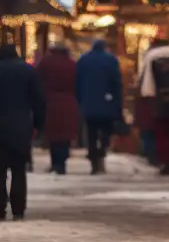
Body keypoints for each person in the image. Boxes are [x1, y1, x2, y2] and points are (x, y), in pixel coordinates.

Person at [0, 43, 45, 220]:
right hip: (21, 127)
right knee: (19, 170)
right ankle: (18, 209)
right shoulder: (28, 71)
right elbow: (38, 101)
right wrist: (38, 125)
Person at [139, 38, 169, 176]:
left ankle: (166, 162)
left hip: (160, 100)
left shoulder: (151, 57)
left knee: (162, 133)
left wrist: (148, 100)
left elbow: (148, 85)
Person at [75, 39, 123, 175]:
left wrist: (80, 101)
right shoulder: (111, 60)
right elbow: (116, 83)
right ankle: (102, 152)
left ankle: (93, 157)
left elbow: (77, 83)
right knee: (106, 132)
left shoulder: (83, 60)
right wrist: (118, 103)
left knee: (91, 133)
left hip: (89, 104)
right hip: (107, 104)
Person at [37, 42, 78, 175]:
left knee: (53, 135)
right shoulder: (72, 64)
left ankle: (55, 163)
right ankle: (62, 163)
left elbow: (38, 81)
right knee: (65, 136)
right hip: (68, 102)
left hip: (50, 102)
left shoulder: (45, 63)